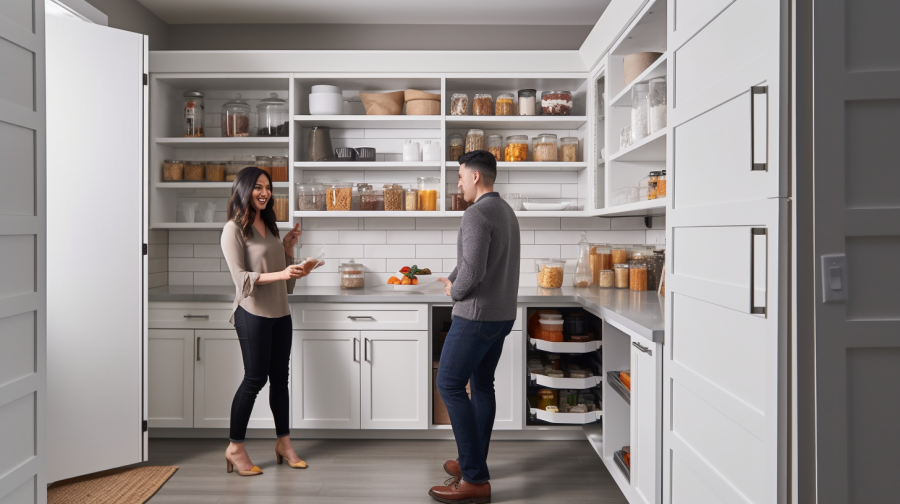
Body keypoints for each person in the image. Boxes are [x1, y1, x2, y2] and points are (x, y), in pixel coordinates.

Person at [431, 150, 520, 503]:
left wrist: (455, 289)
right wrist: (453, 277)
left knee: (449, 384)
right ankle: (474, 462)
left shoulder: (476, 213)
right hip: (501, 316)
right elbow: (471, 261)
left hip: (477, 316)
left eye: (460, 177)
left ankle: (474, 479)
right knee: (482, 386)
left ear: (476, 177)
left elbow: (472, 272)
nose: (458, 183)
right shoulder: (505, 211)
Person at [220, 167, 316, 476]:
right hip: (253, 315)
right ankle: (235, 447)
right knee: (254, 379)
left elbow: (283, 280)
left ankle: (284, 444)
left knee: (279, 380)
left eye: (268, 187)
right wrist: (284, 272)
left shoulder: (271, 226)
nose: (265, 192)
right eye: (259, 187)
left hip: (280, 313)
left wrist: (288, 251)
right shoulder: (233, 230)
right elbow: (242, 279)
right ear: (244, 189)